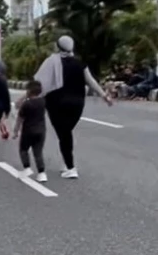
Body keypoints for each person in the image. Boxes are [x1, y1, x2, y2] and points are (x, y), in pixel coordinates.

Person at [34, 35, 112, 179]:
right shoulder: (79, 63)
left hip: (56, 103)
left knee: (64, 134)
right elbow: (91, 81)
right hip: (77, 104)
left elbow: (40, 83)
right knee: (66, 133)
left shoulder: (51, 62)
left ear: (57, 47)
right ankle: (67, 161)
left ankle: (71, 167)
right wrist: (104, 95)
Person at [13, 79, 48, 182]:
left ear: (28, 91)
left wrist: (15, 131)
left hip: (28, 132)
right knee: (38, 152)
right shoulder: (43, 102)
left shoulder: (26, 104)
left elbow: (20, 119)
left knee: (23, 150)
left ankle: (27, 168)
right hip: (41, 131)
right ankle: (42, 173)